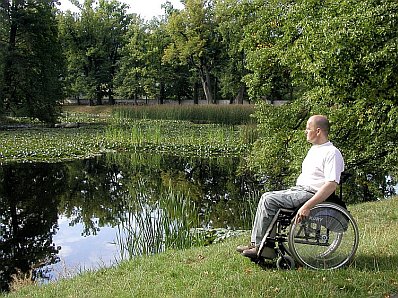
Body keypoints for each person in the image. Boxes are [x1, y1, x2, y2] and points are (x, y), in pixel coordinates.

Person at [238, 114, 344, 259]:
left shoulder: (332, 153)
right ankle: (259, 244)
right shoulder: (315, 149)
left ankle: (262, 247)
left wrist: (307, 206)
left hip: (310, 193)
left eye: (308, 128)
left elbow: (331, 185)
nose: (305, 131)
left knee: (268, 199)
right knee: (267, 198)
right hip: (299, 190)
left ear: (318, 131)